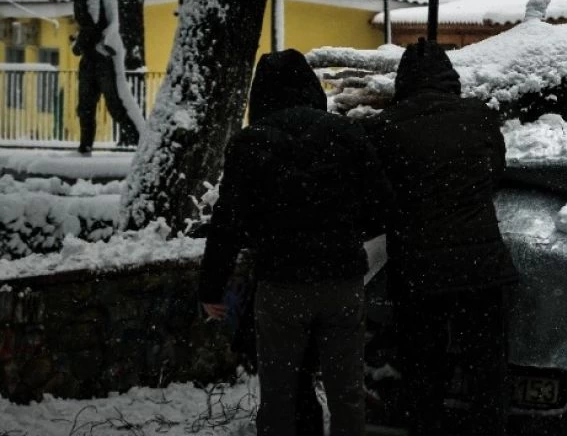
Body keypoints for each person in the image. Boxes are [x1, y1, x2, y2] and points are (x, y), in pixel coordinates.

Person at [197, 50, 394, 436]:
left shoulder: (250, 143)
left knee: (279, 397)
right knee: (347, 394)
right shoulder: (347, 134)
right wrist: (344, 231)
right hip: (342, 282)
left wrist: (211, 287)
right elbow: (383, 208)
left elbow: (228, 224)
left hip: (281, 283)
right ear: (310, 88)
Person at [364, 39, 519, 436]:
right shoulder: (479, 117)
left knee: (422, 374)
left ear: (403, 81)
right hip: (481, 269)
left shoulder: (383, 127)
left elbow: (376, 197)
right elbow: (494, 174)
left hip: (418, 274)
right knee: (487, 374)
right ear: (449, 77)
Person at [63, 0, 142, 153]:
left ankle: (143, 143)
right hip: (97, 54)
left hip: (101, 54)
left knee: (114, 104)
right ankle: (86, 145)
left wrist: (79, 44)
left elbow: (92, 22)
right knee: (92, 105)